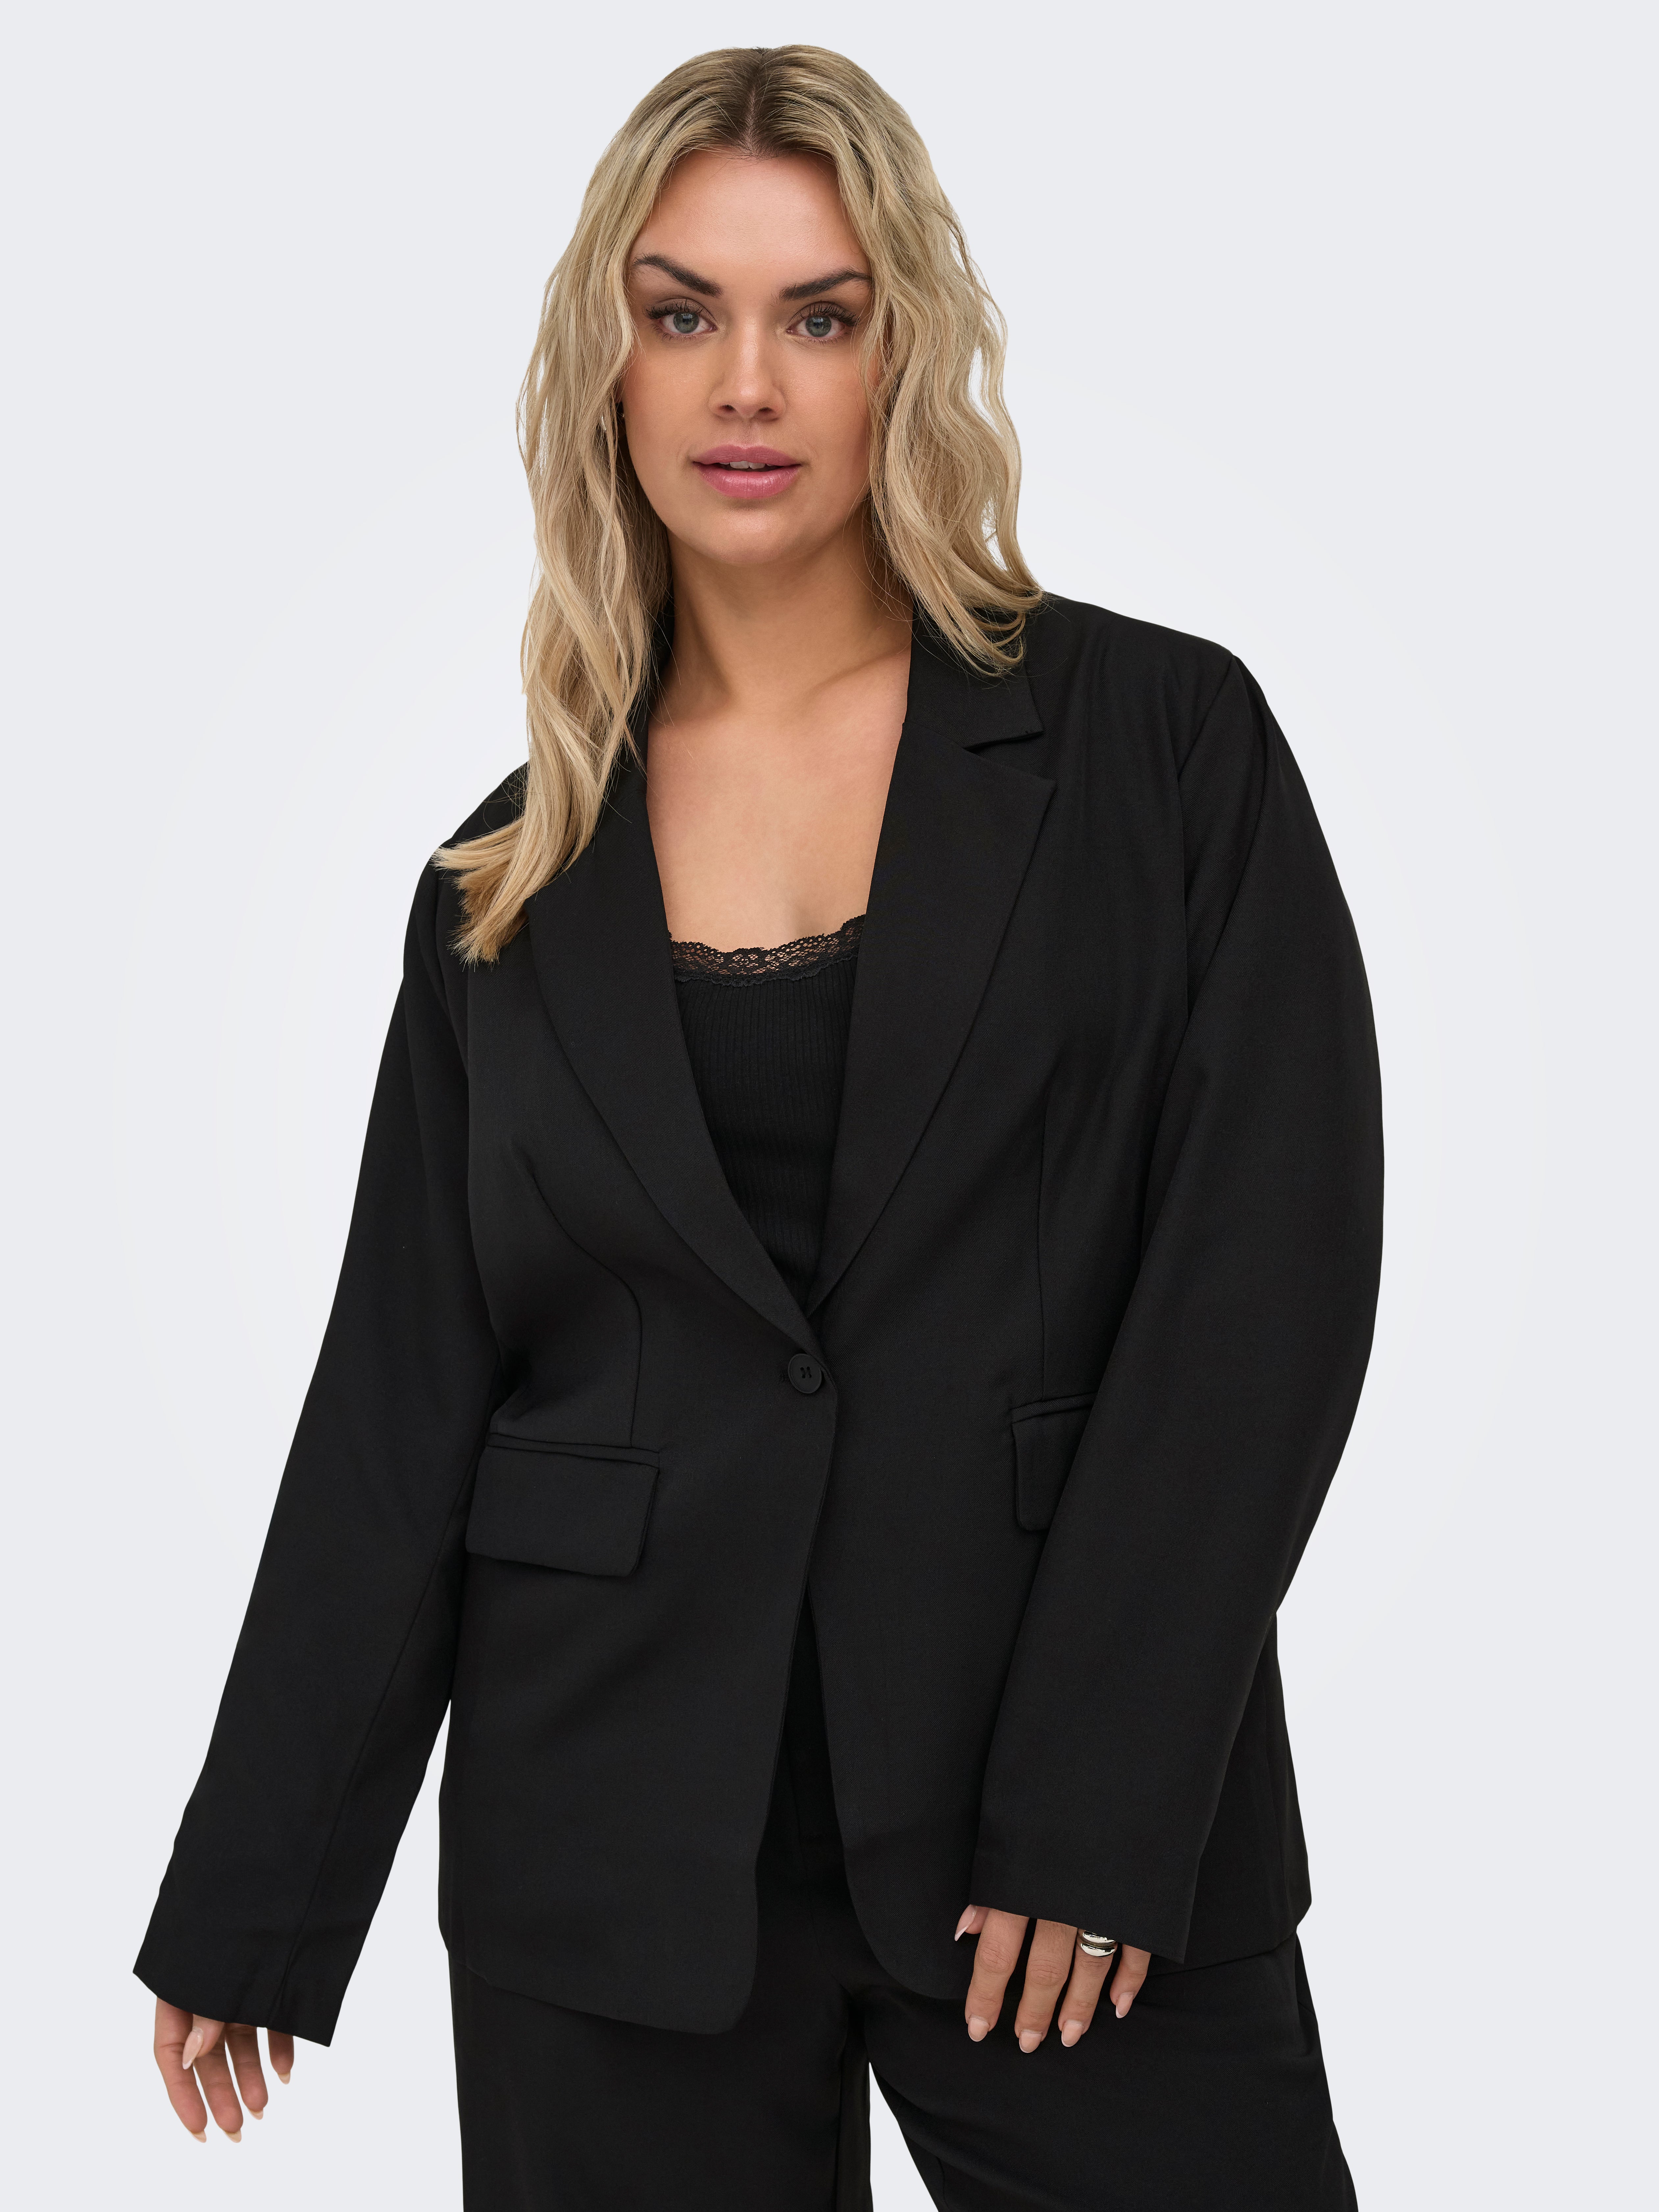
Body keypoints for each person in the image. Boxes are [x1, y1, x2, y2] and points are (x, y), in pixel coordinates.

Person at [137, 44, 1383, 2212]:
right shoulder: (505, 876)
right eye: (679, 311)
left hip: (1057, 1836)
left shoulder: (1159, 748)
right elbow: (402, 1395)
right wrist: (260, 1885)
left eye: (818, 314)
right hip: (606, 1847)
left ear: (905, 348)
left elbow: (1260, 1283)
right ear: (603, 365)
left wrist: (1097, 1801)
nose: (745, 381)